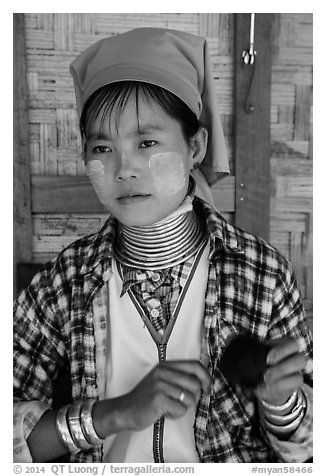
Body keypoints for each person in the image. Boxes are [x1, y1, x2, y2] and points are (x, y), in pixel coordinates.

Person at [13, 27, 313, 463]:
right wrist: (116, 414)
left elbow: (306, 452)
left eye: (147, 142)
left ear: (196, 146)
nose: (124, 169)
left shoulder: (262, 273)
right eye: (102, 147)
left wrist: (282, 401)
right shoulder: (65, 281)